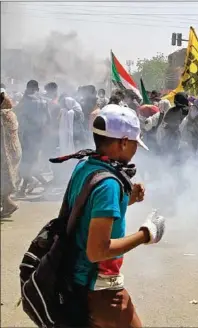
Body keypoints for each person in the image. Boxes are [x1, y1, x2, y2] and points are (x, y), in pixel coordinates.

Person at [58, 104, 164, 327]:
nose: (135, 149)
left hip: (76, 279)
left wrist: (126, 199)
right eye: (134, 143)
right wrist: (146, 234)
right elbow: (97, 251)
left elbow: (87, 211)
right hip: (99, 290)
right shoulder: (109, 184)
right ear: (124, 142)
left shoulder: (86, 164)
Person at [15, 80, 50, 196]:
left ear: (28, 89)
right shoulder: (44, 101)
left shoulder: (26, 102)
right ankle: (43, 184)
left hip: (28, 136)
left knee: (26, 164)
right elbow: (48, 119)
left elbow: (17, 114)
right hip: (38, 136)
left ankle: (23, 189)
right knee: (31, 163)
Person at [0, 90, 21, 217]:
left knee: (4, 177)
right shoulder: (11, 113)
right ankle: (7, 206)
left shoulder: (2, 115)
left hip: (6, 151)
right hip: (14, 150)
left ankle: (9, 205)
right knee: (6, 177)